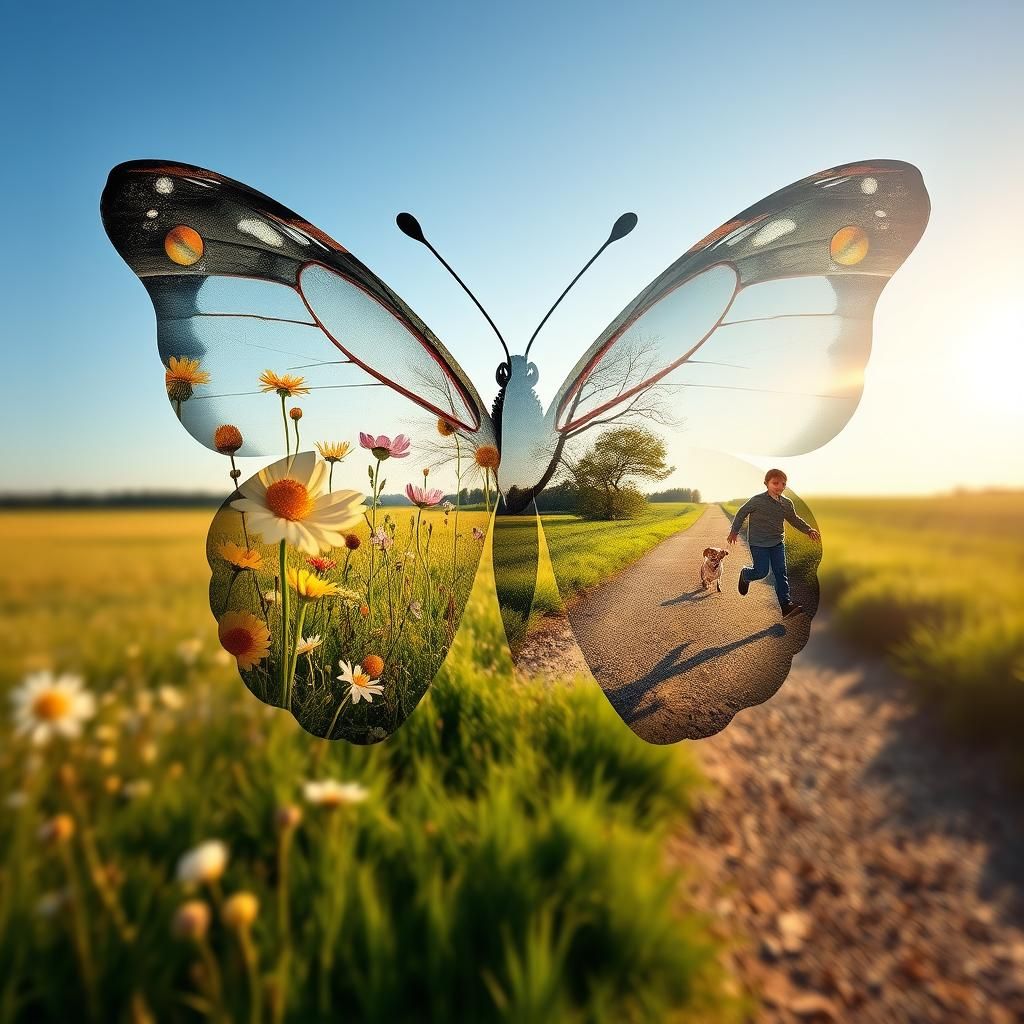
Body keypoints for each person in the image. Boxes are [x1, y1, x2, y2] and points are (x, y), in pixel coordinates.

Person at [726, 469, 821, 618]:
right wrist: (734, 531)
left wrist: (808, 530)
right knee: (761, 571)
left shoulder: (786, 503)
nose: (779, 486)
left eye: (783, 484)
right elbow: (741, 513)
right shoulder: (757, 500)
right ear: (767, 483)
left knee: (780, 573)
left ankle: (786, 606)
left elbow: (794, 519)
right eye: (775, 483)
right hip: (758, 543)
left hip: (777, 543)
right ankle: (746, 574)